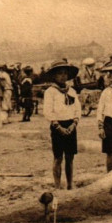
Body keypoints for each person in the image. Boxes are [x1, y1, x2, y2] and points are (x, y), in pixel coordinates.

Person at [42, 61, 81, 190]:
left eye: (65, 73)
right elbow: (48, 111)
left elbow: (77, 109)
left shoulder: (72, 91)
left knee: (70, 157)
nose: (63, 76)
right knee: (58, 157)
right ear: (54, 76)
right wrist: (58, 127)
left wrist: (74, 123)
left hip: (70, 125)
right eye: (59, 73)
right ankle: (57, 185)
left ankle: (69, 184)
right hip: (57, 125)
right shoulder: (50, 92)